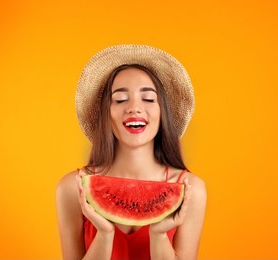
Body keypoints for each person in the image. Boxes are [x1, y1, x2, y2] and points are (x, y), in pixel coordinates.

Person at [56, 45, 207, 260]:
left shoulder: (189, 189)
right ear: (106, 115)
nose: (134, 107)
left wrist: (159, 235)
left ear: (162, 112)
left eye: (148, 99)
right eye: (120, 99)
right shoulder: (73, 187)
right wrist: (105, 234)